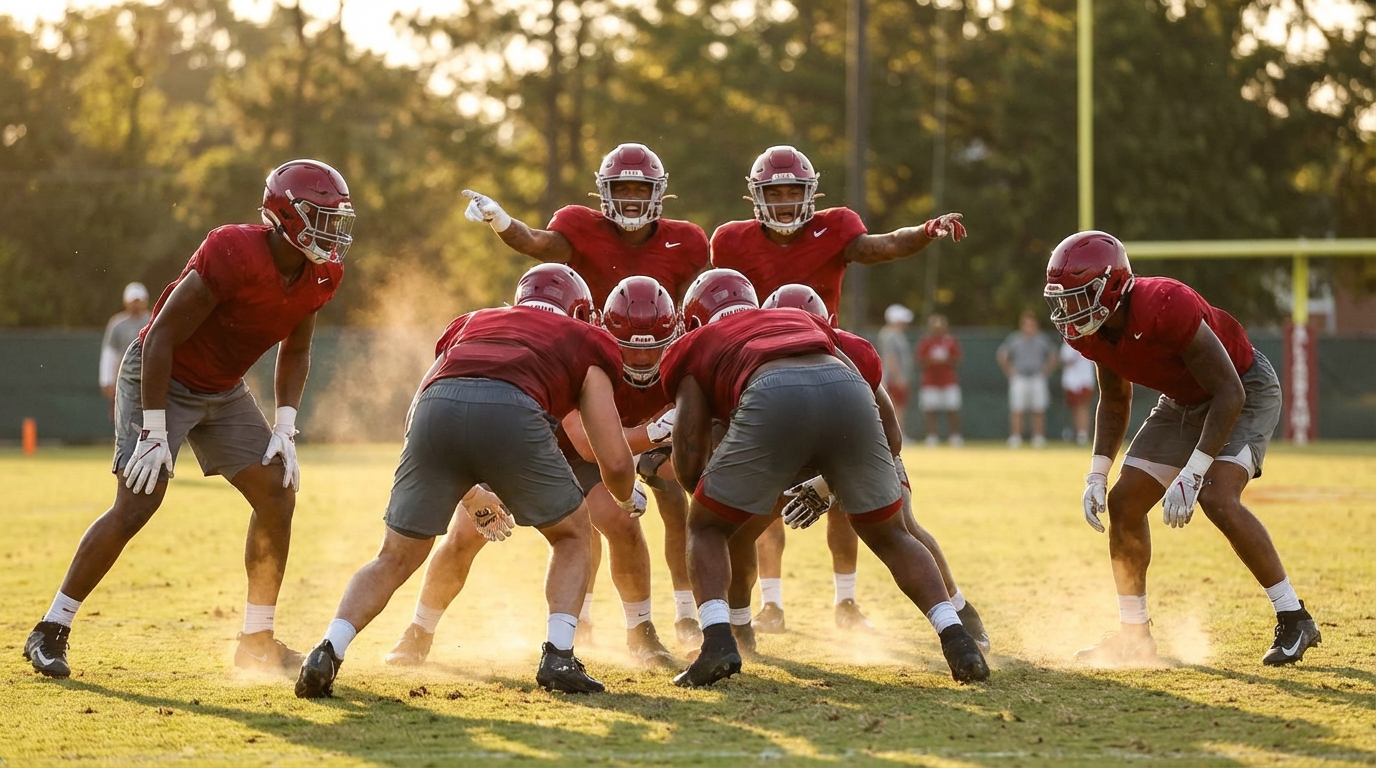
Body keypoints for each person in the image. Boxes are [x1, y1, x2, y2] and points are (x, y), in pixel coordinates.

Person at [24, 159, 355, 679]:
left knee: (277, 492)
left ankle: (256, 640)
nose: (332, 232)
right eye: (321, 216)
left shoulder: (322, 271)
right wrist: (154, 430)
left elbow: (296, 349)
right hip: (160, 372)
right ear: (286, 215)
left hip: (222, 389)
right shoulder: (232, 250)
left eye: (337, 219)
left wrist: (286, 424)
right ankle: (50, 628)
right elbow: (159, 338)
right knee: (140, 499)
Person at [294, 264, 637, 698]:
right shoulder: (584, 338)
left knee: (394, 556)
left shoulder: (474, 322)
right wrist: (626, 500)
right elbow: (617, 463)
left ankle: (328, 648)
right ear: (580, 311)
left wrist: (470, 492)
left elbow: (417, 408)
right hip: (513, 411)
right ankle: (559, 658)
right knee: (573, 535)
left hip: (434, 412)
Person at [661, 269, 988, 687]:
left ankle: (718, 643)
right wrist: (835, 476)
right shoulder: (806, 323)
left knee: (706, 527)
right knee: (893, 535)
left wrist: (707, 501)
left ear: (691, 322)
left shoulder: (697, 344)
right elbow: (885, 427)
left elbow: (688, 452)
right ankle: (956, 637)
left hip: (770, 397)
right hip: (848, 393)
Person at [709, 144, 967, 633]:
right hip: (757, 371)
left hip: (831, 364)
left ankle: (846, 601)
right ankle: (770, 604)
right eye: (775, 192)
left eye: (793, 192)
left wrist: (925, 230)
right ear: (756, 196)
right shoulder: (729, 242)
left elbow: (883, 245)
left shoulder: (837, 228)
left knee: (857, 501)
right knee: (758, 498)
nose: (785, 202)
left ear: (811, 195)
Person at [462, 143, 707, 641]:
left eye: (643, 189)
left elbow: (700, 303)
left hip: (656, 369)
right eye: (623, 189)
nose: (634, 199)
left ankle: (687, 609)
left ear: (660, 193)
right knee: (595, 503)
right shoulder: (579, 226)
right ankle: (587, 612)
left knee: (677, 494)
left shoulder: (688, 241)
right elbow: (537, 244)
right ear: (604, 192)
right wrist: (503, 223)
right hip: (592, 370)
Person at [1046, 231, 1320, 667]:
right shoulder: (1089, 334)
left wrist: (1193, 472)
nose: (1070, 310)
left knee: (1216, 496)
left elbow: (1229, 391)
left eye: (1081, 296)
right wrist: (1097, 471)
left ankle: (1294, 615)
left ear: (1113, 287)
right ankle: (1134, 634)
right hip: (1184, 399)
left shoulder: (1165, 304)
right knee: (1125, 501)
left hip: (1243, 386)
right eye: (1064, 298)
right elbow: (1115, 400)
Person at [382, 276, 683, 671]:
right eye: (630, 347)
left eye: (652, 350)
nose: (642, 360)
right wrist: (657, 434)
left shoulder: (656, 358)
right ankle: (419, 629)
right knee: (463, 536)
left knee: (622, 524)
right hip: (522, 444)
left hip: (568, 454)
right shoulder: (575, 345)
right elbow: (585, 440)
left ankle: (640, 630)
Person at [997, 310, 1057, 448]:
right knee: (1017, 409)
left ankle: (1038, 437)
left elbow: (1053, 355)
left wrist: (1046, 370)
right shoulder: (1015, 339)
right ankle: (1016, 437)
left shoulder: (1042, 340)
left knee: (1038, 409)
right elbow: (1002, 355)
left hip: (1037, 377)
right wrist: (1010, 371)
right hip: (1020, 377)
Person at [915, 313, 963, 447]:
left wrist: (945, 360)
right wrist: (932, 360)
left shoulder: (951, 340)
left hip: (948, 381)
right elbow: (919, 360)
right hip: (930, 381)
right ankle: (932, 436)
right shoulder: (925, 341)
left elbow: (958, 359)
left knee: (952, 409)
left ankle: (955, 436)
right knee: (930, 410)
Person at [99, 283, 151, 407]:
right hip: (124, 379)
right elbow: (109, 353)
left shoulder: (153, 321)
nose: (136, 304)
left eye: (139, 300)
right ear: (126, 302)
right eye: (133, 301)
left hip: (149, 378)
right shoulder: (117, 324)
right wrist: (107, 381)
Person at [876, 304, 914, 436]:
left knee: (900, 407)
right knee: (896, 407)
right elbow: (891, 358)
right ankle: (899, 435)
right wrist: (898, 377)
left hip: (897, 378)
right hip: (893, 378)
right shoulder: (890, 335)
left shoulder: (896, 335)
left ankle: (900, 434)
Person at [1060, 341, 1096, 445]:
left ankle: (1083, 434)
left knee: (1083, 407)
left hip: (1084, 379)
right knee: (1075, 408)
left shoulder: (1086, 341)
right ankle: (1077, 432)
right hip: (1071, 380)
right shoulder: (1067, 343)